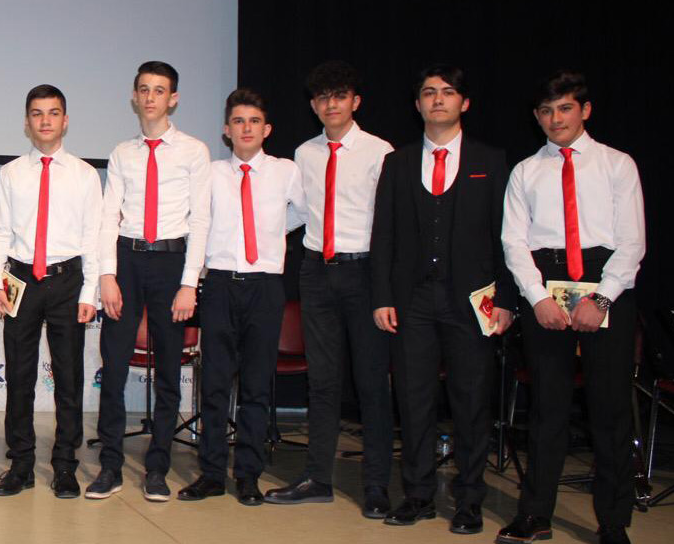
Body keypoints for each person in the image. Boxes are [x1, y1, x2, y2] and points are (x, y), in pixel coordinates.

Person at [497, 70, 644, 544]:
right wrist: (536, 297)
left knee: (611, 410)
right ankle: (535, 514)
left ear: (585, 110)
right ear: (536, 117)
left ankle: (613, 522)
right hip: (546, 286)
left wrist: (600, 298)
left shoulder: (617, 164)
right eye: (546, 111)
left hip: (606, 283)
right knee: (547, 409)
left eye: (564, 108)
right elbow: (513, 242)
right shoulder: (525, 171)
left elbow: (632, 242)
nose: (555, 118)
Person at [368, 65, 515, 534]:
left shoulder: (491, 160)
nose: (437, 100)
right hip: (412, 300)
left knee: (471, 401)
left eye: (447, 92)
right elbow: (384, 234)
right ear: (417, 105)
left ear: (463, 103)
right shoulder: (398, 162)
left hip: (472, 302)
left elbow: (507, 235)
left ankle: (469, 500)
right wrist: (382, 295)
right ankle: (418, 495)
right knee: (414, 401)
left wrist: (507, 298)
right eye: (429, 93)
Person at [265, 60, 396, 519]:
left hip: (364, 273)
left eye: (339, 96)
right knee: (321, 381)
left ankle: (376, 485)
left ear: (355, 102)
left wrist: (386, 286)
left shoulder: (380, 151)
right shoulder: (305, 154)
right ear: (314, 105)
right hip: (317, 272)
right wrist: (252, 234)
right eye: (322, 98)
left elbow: (390, 223)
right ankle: (318, 478)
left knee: (371, 383)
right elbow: (299, 213)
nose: (330, 104)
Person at [88, 60, 211, 502]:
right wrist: (106, 274)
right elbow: (109, 215)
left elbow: (201, 220)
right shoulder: (123, 153)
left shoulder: (194, 151)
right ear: (134, 96)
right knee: (114, 367)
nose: (151, 97)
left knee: (169, 374)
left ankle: (157, 467)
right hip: (126, 260)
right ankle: (110, 466)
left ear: (172, 99)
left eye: (159, 90)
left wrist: (189, 283)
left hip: (172, 264)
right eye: (144, 89)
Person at [181, 88, 305, 506]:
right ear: (226, 130)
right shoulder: (213, 173)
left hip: (265, 286)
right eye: (238, 121)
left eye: (254, 121)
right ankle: (212, 473)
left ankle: (249, 475)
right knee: (215, 384)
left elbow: (304, 213)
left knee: (255, 386)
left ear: (266, 129)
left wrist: (270, 233)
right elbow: (199, 224)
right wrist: (192, 279)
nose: (246, 128)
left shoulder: (286, 171)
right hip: (219, 284)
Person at [0, 84, 101, 499]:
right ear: (27, 122)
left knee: (68, 377)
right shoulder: (11, 173)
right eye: (37, 113)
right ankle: (20, 464)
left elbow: (92, 239)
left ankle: (65, 465)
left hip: (68, 281)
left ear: (65, 121)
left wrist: (89, 293)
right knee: (19, 376)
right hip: (20, 281)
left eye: (53, 113)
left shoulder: (85, 175)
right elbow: (0, 232)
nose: (45, 120)